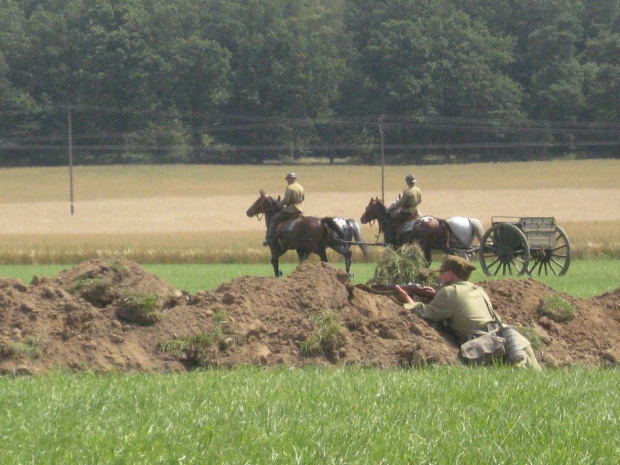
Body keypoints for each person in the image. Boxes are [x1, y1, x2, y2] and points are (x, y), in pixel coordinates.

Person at [396, 255, 541, 370]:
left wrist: (407, 298)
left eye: (442, 273)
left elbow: (423, 315)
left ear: (451, 275)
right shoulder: (478, 289)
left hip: (490, 349)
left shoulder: (449, 292)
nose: (439, 277)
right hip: (515, 343)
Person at [264, 172, 305, 246]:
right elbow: (303, 198)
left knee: (274, 220)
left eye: (288, 179)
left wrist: (279, 205)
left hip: (290, 210)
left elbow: (286, 200)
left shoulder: (290, 187)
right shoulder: (300, 187)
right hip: (300, 209)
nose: (287, 181)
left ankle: (270, 239)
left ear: (292, 179)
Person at [385, 174, 422, 244]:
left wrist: (393, 206)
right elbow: (419, 200)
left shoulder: (406, 191)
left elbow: (400, 203)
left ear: (407, 182)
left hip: (406, 212)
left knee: (390, 222)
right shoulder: (418, 190)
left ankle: (392, 240)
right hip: (415, 211)